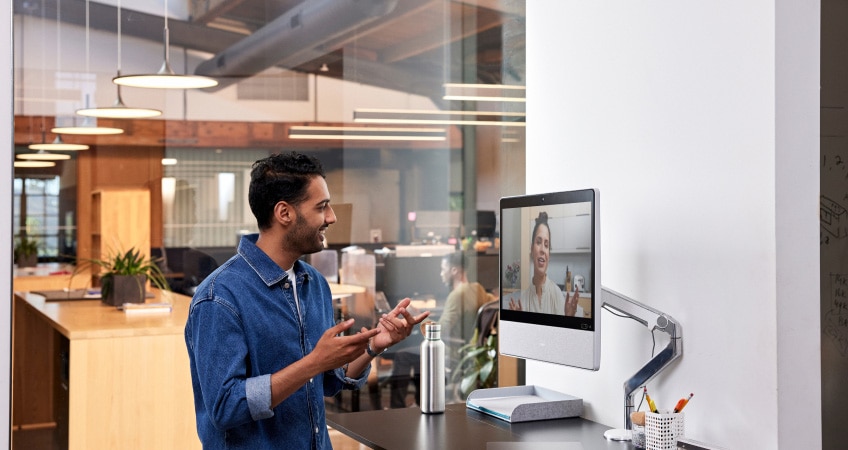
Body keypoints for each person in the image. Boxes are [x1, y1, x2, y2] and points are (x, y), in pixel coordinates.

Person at [184, 151, 429, 450]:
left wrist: (373, 346)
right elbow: (225, 407)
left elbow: (327, 381)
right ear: (284, 213)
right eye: (322, 207)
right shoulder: (219, 297)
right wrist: (313, 363)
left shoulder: (314, 284)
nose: (332, 217)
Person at [389, 251, 491, 408]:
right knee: (416, 354)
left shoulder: (457, 295)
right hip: (469, 348)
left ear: (454, 271)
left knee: (403, 356)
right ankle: (420, 401)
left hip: (454, 350)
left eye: (443, 269)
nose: (441, 273)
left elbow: (440, 331)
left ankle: (396, 408)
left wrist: (418, 315)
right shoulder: (477, 288)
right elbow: (491, 304)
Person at [507, 211, 580, 316]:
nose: (542, 250)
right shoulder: (523, 300)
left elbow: (560, 332)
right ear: (532, 250)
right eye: (538, 242)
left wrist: (568, 319)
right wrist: (519, 323)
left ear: (548, 255)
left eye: (546, 245)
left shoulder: (557, 294)